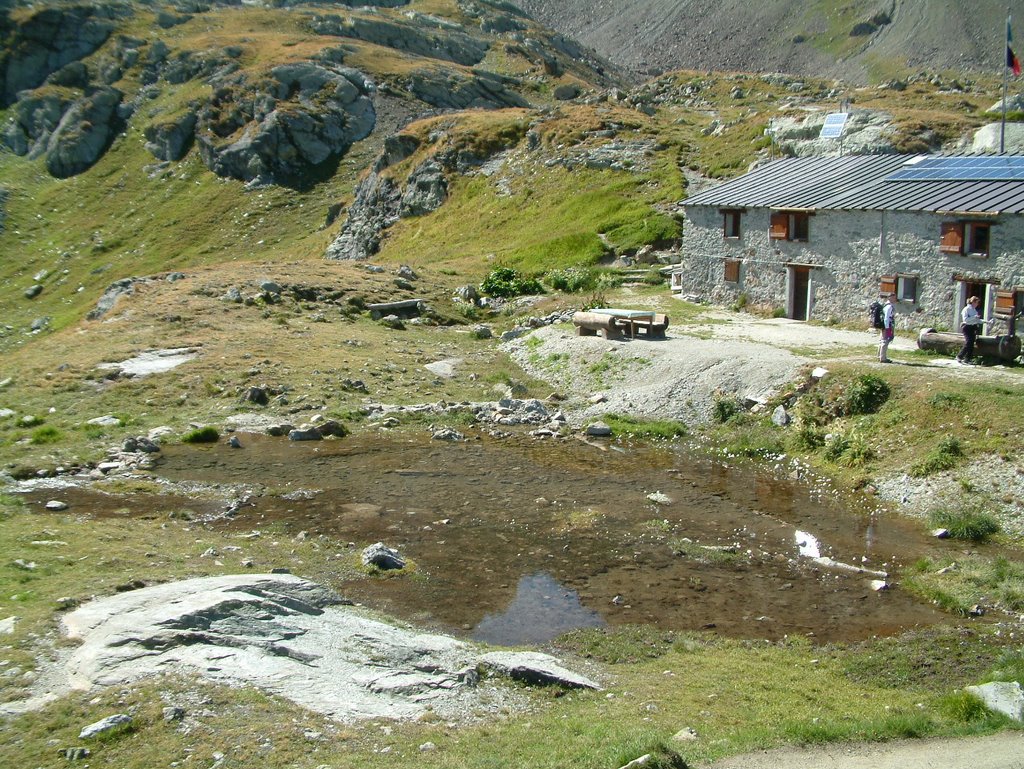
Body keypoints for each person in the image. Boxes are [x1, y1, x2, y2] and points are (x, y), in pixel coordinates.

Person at [956, 295, 984, 364]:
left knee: (972, 343)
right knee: (968, 342)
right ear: (973, 302)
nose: (977, 304)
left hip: (972, 327)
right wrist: (974, 317)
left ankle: (968, 358)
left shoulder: (974, 310)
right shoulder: (966, 309)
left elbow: (977, 320)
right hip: (967, 327)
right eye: (977, 302)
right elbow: (966, 320)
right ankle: (959, 356)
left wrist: (986, 322)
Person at [878, 292, 896, 363]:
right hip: (887, 326)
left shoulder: (886, 305)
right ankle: (883, 358)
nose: (895, 299)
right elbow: (886, 318)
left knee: (882, 340)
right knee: (885, 341)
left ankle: (879, 356)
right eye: (894, 297)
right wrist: (888, 328)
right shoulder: (889, 307)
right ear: (890, 298)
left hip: (884, 326)